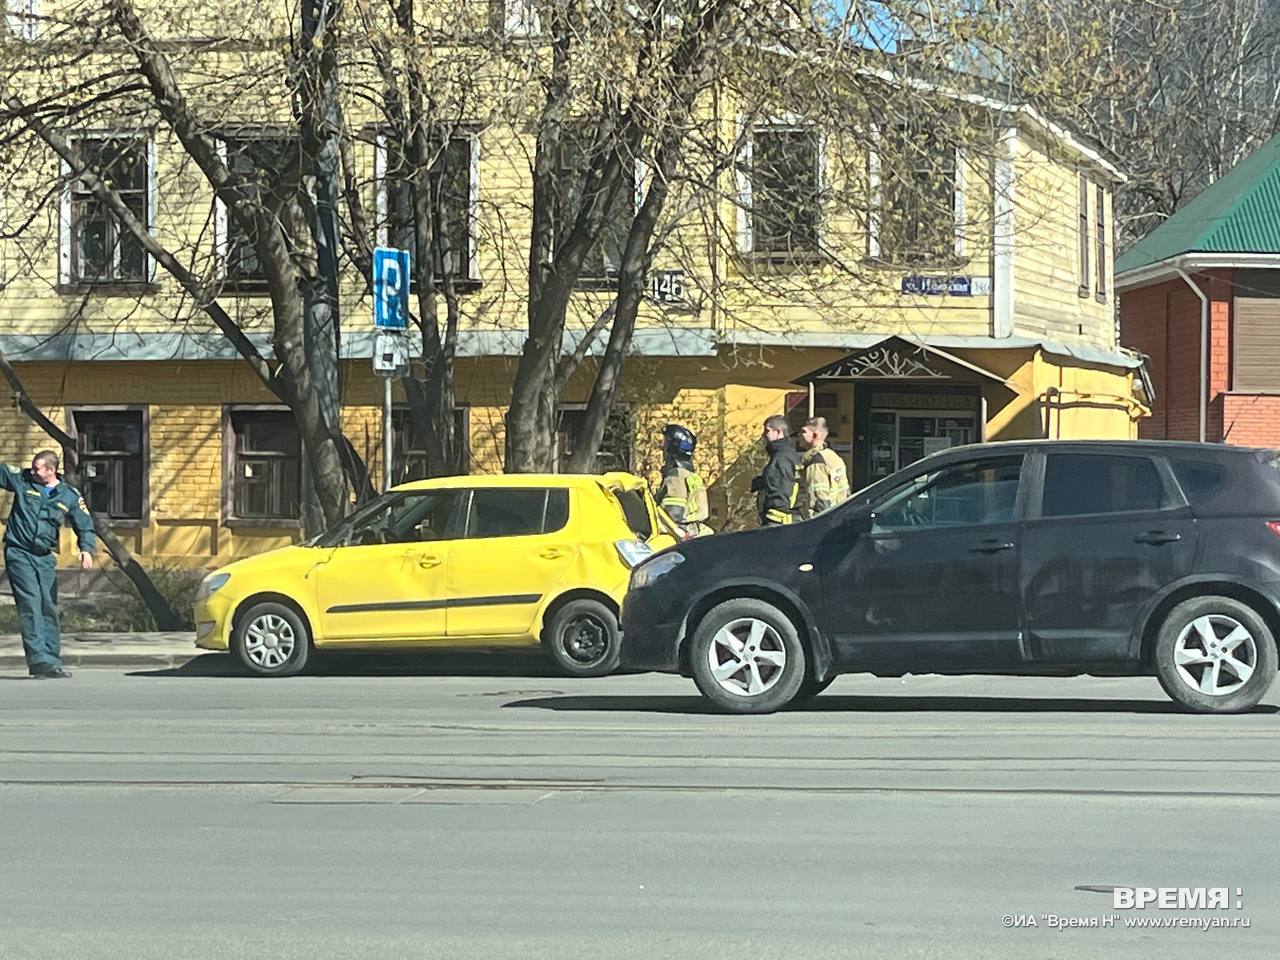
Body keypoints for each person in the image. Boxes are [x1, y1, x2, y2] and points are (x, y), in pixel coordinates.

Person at [1, 451, 96, 679]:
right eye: (32, 468)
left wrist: (86, 550)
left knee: (48, 607)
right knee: (31, 604)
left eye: (37, 469)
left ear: (51, 471)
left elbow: (85, 524)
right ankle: (38, 661)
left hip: (44, 557)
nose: (32, 471)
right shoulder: (22, 480)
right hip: (19, 552)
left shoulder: (69, 495)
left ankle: (52, 661)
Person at [654, 424, 713, 538]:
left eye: (666, 444)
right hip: (696, 533)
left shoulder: (675, 477)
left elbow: (673, 515)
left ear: (672, 448)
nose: (663, 448)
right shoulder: (691, 476)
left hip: (681, 535)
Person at [796, 416, 851, 520]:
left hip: (824, 520)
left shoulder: (816, 462)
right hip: (839, 515)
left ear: (815, 435)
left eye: (803, 432)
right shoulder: (834, 457)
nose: (799, 435)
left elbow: (820, 498)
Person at [750, 415, 799, 526]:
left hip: (779, 520)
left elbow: (783, 489)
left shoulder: (782, 458)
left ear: (778, 432)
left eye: (767, 431)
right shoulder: (785, 454)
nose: (764, 435)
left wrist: (773, 521)